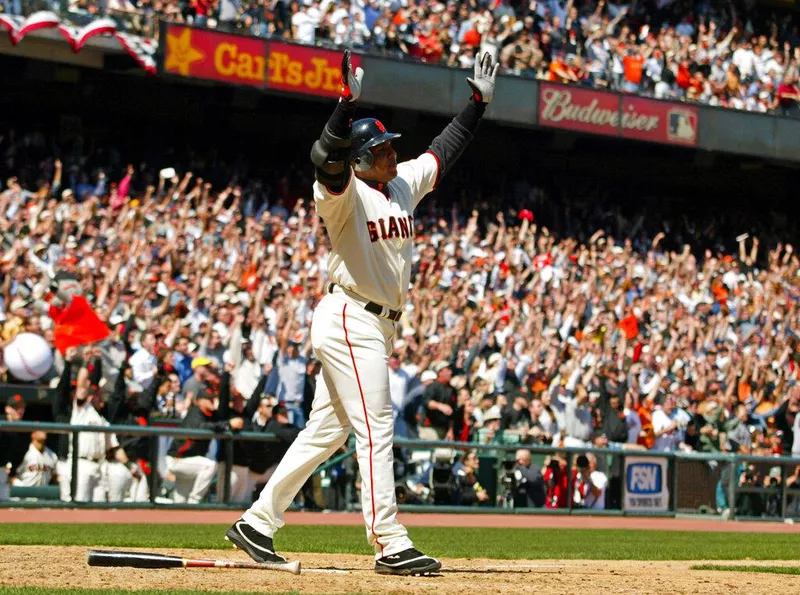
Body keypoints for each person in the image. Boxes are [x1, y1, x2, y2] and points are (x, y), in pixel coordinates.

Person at [226, 49, 498, 576]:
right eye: (380, 150)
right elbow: (324, 157)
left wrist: (477, 104)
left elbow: (443, 151)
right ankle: (388, 540)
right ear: (360, 157)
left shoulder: (400, 187)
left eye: (391, 147)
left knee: (327, 431)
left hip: (378, 323)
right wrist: (344, 107)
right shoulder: (342, 195)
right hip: (350, 315)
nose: (392, 154)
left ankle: (258, 521)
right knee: (376, 424)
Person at [165, 385, 244, 503]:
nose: (212, 400)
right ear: (200, 401)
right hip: (178, 459)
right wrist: (228, 424)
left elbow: (222, 421)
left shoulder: (211, 415)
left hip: (191, 462)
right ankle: (195, 500)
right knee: (210, 465)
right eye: (209, 399)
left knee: (180, 501)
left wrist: (232, 423)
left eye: (213, 398)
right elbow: (201, 427)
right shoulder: (195, 412)